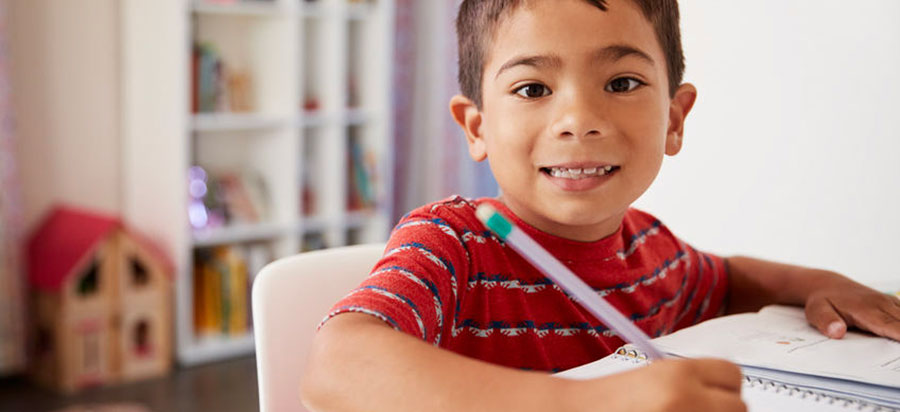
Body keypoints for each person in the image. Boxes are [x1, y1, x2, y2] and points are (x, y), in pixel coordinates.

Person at [301, 1, 900, 411]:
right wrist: (586, 403)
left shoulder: (652, 252)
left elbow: (729, 280)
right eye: (533, 89)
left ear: (674, 117)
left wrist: (821, 283)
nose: (579, 122)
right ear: (476, 127)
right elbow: (337, 365)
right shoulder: (451, 242)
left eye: (621, 83)